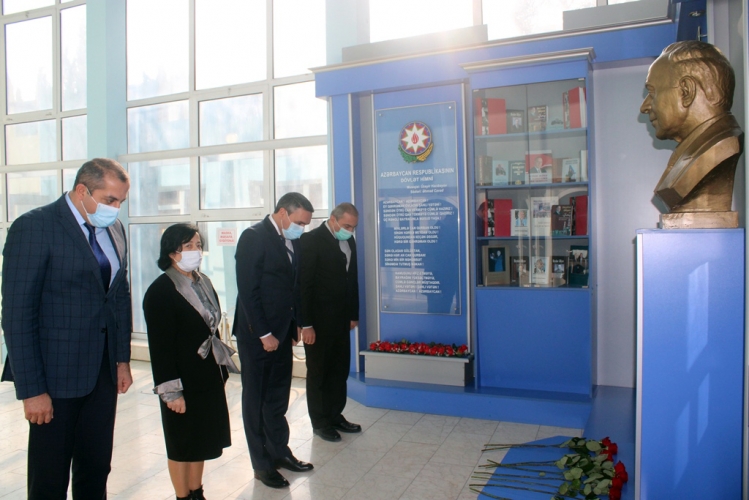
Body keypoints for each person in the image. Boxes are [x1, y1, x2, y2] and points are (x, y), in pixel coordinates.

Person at [0, 158, 133, 499]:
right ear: (82, 190)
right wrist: (32, 390)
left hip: (101, 373)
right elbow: (17, 315)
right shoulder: (35, 227)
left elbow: (118, 297)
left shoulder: (115, 229)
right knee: (50, 474)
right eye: (110, 200)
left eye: (121, 201)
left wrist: (121, 360)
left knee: (96, 467)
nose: (116, 209)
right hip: (54, 377)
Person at [143, 224, 235, 500]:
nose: (196, 250)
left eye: (198, 245)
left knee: (201, 439)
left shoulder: (202, 281)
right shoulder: (161, 291)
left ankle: (197, 492)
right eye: (189, 246)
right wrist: (171, 392)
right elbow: (160, 348)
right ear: (172, 252)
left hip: (206, 374)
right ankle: (182, 496)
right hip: (181, 379)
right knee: (181, 443)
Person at [233, 192, 315, 489]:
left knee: (278, 397)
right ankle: (262, 464)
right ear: (283, 213)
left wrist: (297, 324)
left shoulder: (292, 240)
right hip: (258, 334)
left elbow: (295, 287)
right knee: (256, 400)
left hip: (282, 332)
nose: (302, 229)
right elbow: (248, 290)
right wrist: (263, 333)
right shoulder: (254, 237)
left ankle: (280, 452)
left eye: (305, 225)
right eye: (299, 222)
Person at [640, 40, 743, 214]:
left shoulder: (723, 147)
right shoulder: (691, 151)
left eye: (652, 92)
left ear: (687, 91)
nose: (644, 107)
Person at [299, 203, 361, 442]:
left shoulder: (349, 241)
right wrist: (306, 324)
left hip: (341, 319)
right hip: (317, 322)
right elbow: (304, 285)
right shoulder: (311, 240)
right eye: (346, 226)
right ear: (333, 219)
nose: (350, 231)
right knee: (319, 372)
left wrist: (353, 314)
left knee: (339, 368)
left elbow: (351, 280)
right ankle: (320, 422)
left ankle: (335, 415)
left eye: (353, 227)